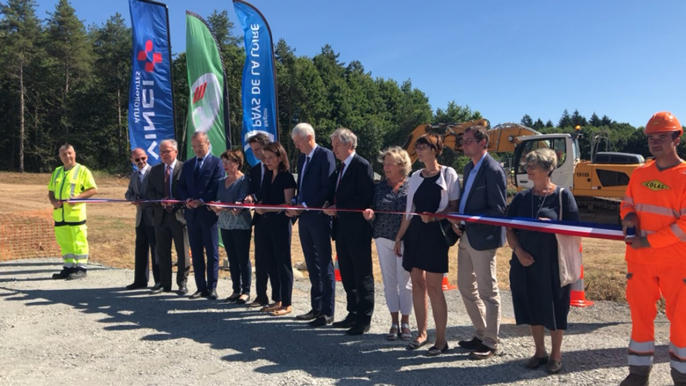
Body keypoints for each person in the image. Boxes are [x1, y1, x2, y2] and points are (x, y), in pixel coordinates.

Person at [619, 112, 686, 386]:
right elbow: (627, 204)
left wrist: (648, 241)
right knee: (640, 317)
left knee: (682, 320)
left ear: (676, 139)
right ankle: (638, 374)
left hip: (676, 262)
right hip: (640, 262)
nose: (655, 142)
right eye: (651, 138)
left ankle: (681, 376)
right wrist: (629, 217)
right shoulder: (640, 173)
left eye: (662, 137)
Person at [505, 148, 579, 374]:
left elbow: (576, 229)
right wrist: (518, 251)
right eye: (527, 165)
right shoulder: (522, 197)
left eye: (532, 165)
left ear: (548, 169)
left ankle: (555, 355)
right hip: (525, 262)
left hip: (554, 264)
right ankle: (539, 352)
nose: (527, 169)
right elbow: (509, 227)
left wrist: (552, 225)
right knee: (531, 307)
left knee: (556, 309)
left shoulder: (562, 195)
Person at [394, 134, 460, 356]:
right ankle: (421, 333)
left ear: (435, 149)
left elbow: (454, 207)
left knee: (434, 287)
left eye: (423, 147)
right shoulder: (415, 177)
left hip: (435, 235)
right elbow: (408, 212)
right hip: (415, 234)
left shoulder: (448, 174)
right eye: (417, 147)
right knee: (416, 283)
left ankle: (441, 340)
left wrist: (435, 216)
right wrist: (399, 237)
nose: (419, 151)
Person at [451, 125, 507, 360]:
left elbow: (498, 209)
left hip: (482, 238)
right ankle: (481, 333)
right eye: (462, 141)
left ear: (483, 143)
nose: (464, 145)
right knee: (465, 286)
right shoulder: (468, 167)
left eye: (468, 141)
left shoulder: (493, 170)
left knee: (487, 291)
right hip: (466, 235)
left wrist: (469, 221)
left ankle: (492, 342)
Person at [323, 128, 375, 336]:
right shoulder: (340, 168)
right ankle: (352, 313)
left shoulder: (361, 166)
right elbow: (334, 192)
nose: (333, 149)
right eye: (333, 145)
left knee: (361, 274)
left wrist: (339, 207)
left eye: (337, 145)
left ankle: (364, 318)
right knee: (346, 273)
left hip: (358, 229)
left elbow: (364, 196)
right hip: (341, 228)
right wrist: (328, 203)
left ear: (349, 145)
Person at [286, 123, 337, 327]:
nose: (296, 146)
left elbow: (327, 187)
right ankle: (316, 307)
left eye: (298, 142)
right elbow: (303, 188)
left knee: (324, 264)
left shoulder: (325, 155)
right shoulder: (301, 158)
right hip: (305, 218)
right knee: (311, 264)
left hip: (319, 217)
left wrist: (305, 205)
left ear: (308, 137)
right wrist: (295, 202)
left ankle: (328, 311)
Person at [362, 147, 413, 341]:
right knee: (390, 283)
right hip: (382, 237)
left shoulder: (411, 185)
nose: (386, 167)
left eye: (390, 163)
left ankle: (406, 323)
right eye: (385, 163)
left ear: (402, 165)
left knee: (405, 283)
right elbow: (373, 209)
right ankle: (393, 322)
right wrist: (370, 215)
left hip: (406, 239)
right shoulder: (378, 187)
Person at [177, 131, 224, 300]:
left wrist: (202, 200)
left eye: (200, 145)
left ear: (208, 144)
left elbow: (216, 184)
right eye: (194, 146)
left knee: (211, 252)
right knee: (196, 252)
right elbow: (180, 186)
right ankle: (200, 287)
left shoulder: (216, 163)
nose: (197, 149)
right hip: (191, 214)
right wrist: (187, 199)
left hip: (207, 213)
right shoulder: (188, 165)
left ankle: (212, 287)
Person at [254, 142, 296, 316]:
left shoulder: (287, 177)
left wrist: (267, 208)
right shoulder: (267, 175)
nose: (268, 161)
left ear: (280, 157)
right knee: (270, 262)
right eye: (265, 157)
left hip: (280, 224)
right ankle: (277, 298)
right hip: (265, 223)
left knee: (283, 263)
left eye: (271, 157)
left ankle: (287, 302)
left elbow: (287, 204)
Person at [146, 139, 191, 295]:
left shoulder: (185, 168)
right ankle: (164, 283)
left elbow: (188, 191)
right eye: (161, 152)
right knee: (162, 252)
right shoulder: (155, 170)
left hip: (179, 216)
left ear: (176, 152)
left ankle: (182, 283)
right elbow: (149, 191)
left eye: (167, 151)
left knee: (182, 252)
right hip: (160, 216)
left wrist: (176, 203)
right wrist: (161, 201)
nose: (164, 155)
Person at [48, 144, 98, 280]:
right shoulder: (57, 171)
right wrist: (53, 201)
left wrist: (77, 198)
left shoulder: (82, 170)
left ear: (74, 153)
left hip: (75, 215)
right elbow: (51, 191)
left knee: (79, 241)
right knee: (64, 242)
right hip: (60, 215)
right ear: (59, 156)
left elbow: (93, 189)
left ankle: (81, 268)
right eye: (64, 154)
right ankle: (68, 267)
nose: (67, 156)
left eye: (69, 153)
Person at [210, 149, 252, 304]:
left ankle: (246, 290)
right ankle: (236, 289)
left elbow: (240, 203)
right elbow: (217, 200)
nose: (225, 165)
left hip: (240, 224)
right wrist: (214, 206)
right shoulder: (221, 182)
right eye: (223, 162)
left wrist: (223, 207)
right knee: (232, 258)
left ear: (237, 163)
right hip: (225, 224)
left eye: (229, 162)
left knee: (242, 258)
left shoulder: (244, 180)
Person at [124, 148, 160, 290]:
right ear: (132, 160)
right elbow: (128, 194)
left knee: (156, 250)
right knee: (140, 249)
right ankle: (140, 280)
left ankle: (159, 281)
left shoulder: (154, 173)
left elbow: (158, 194)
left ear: (147, 157)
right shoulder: (133, 176)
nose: (141, 162)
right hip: (140, 218)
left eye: (143, 158)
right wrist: (134, 199)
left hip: (153, 216)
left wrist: (145, 201)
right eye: (137, 160)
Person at [244, 133, 272, 308]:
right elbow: (254, 192)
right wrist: (250, 197)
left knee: (276, 261)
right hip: (260, 219)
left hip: (276, 219)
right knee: (260, 259)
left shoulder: (277, 167)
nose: (255, 153)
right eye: (253, 150)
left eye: (257, 149)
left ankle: (280, 298)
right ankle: (261, 295)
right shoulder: (254, 171)